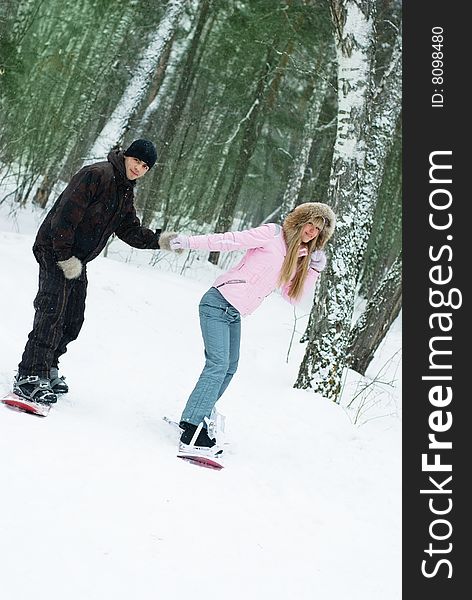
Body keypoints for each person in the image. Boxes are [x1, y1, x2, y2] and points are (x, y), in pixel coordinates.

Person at [159, 202, 336, 457]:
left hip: (233, 313)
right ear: (299, 220)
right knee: (218, 365)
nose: (312, 231)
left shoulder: (297, 255)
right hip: (218, 302)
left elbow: (292, 296)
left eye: (318, 230)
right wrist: (187, 242)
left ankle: (196, 416)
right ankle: (191, 427)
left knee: (229, 367)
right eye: (310, 223)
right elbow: (229, 240)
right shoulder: (272, 234)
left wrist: (314, 270)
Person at [13, 139, 162, 405]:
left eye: (145, 166)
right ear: (126, 156)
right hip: (55, 249)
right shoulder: (97, 175)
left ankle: (48, 366)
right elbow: (65, 217)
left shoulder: (125, 190)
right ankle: (30, 375)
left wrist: (161, 241)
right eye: (137, 161)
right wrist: (64, 257)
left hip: (78, 259)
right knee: (52, 311)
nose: (139, 168)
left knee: (73, 317)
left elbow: (129, 229)